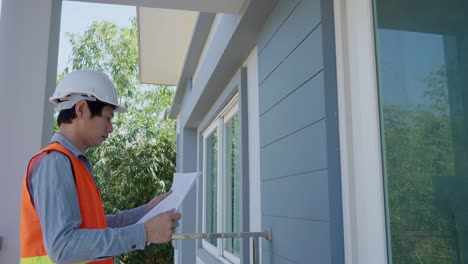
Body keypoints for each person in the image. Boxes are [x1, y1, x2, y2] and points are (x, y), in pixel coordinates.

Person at [19, 69, 181, 264]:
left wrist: (147, 211)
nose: (111, 128)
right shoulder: (55, 162)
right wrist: (145, 232)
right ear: (81, 109)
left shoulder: (72, 162)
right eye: (108, 117)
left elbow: (96, 226)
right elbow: (63, 247)